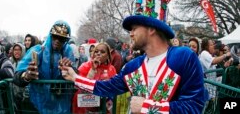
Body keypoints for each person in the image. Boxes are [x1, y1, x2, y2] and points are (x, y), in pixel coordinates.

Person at [60, 15, 206, 113]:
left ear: (151, 29)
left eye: (134, 29)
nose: (130, 34)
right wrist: (75, 78)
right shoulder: (132, 66)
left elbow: (194, 106)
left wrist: (146, 107)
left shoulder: (183, 57)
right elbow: (106, 87)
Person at [13, 20, 75, 114]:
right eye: (55, 36)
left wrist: (71, 71)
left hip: (61, 103)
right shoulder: (37, 50)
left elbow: (78, 76)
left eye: (61, 38)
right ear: (50, 35)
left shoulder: (68, 52)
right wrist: (26, 76)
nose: (57, 41)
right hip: (38, 103)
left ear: (66, 40)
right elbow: (16, 76)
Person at [72, 42, 117, 113]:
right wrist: (92, 69)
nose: (98, 53)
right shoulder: (85, 66)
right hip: (86, 105)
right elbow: (81, 86)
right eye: (96, 51)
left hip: (104, 107)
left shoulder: (112, 69)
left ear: (108, 56)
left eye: (102, 52)